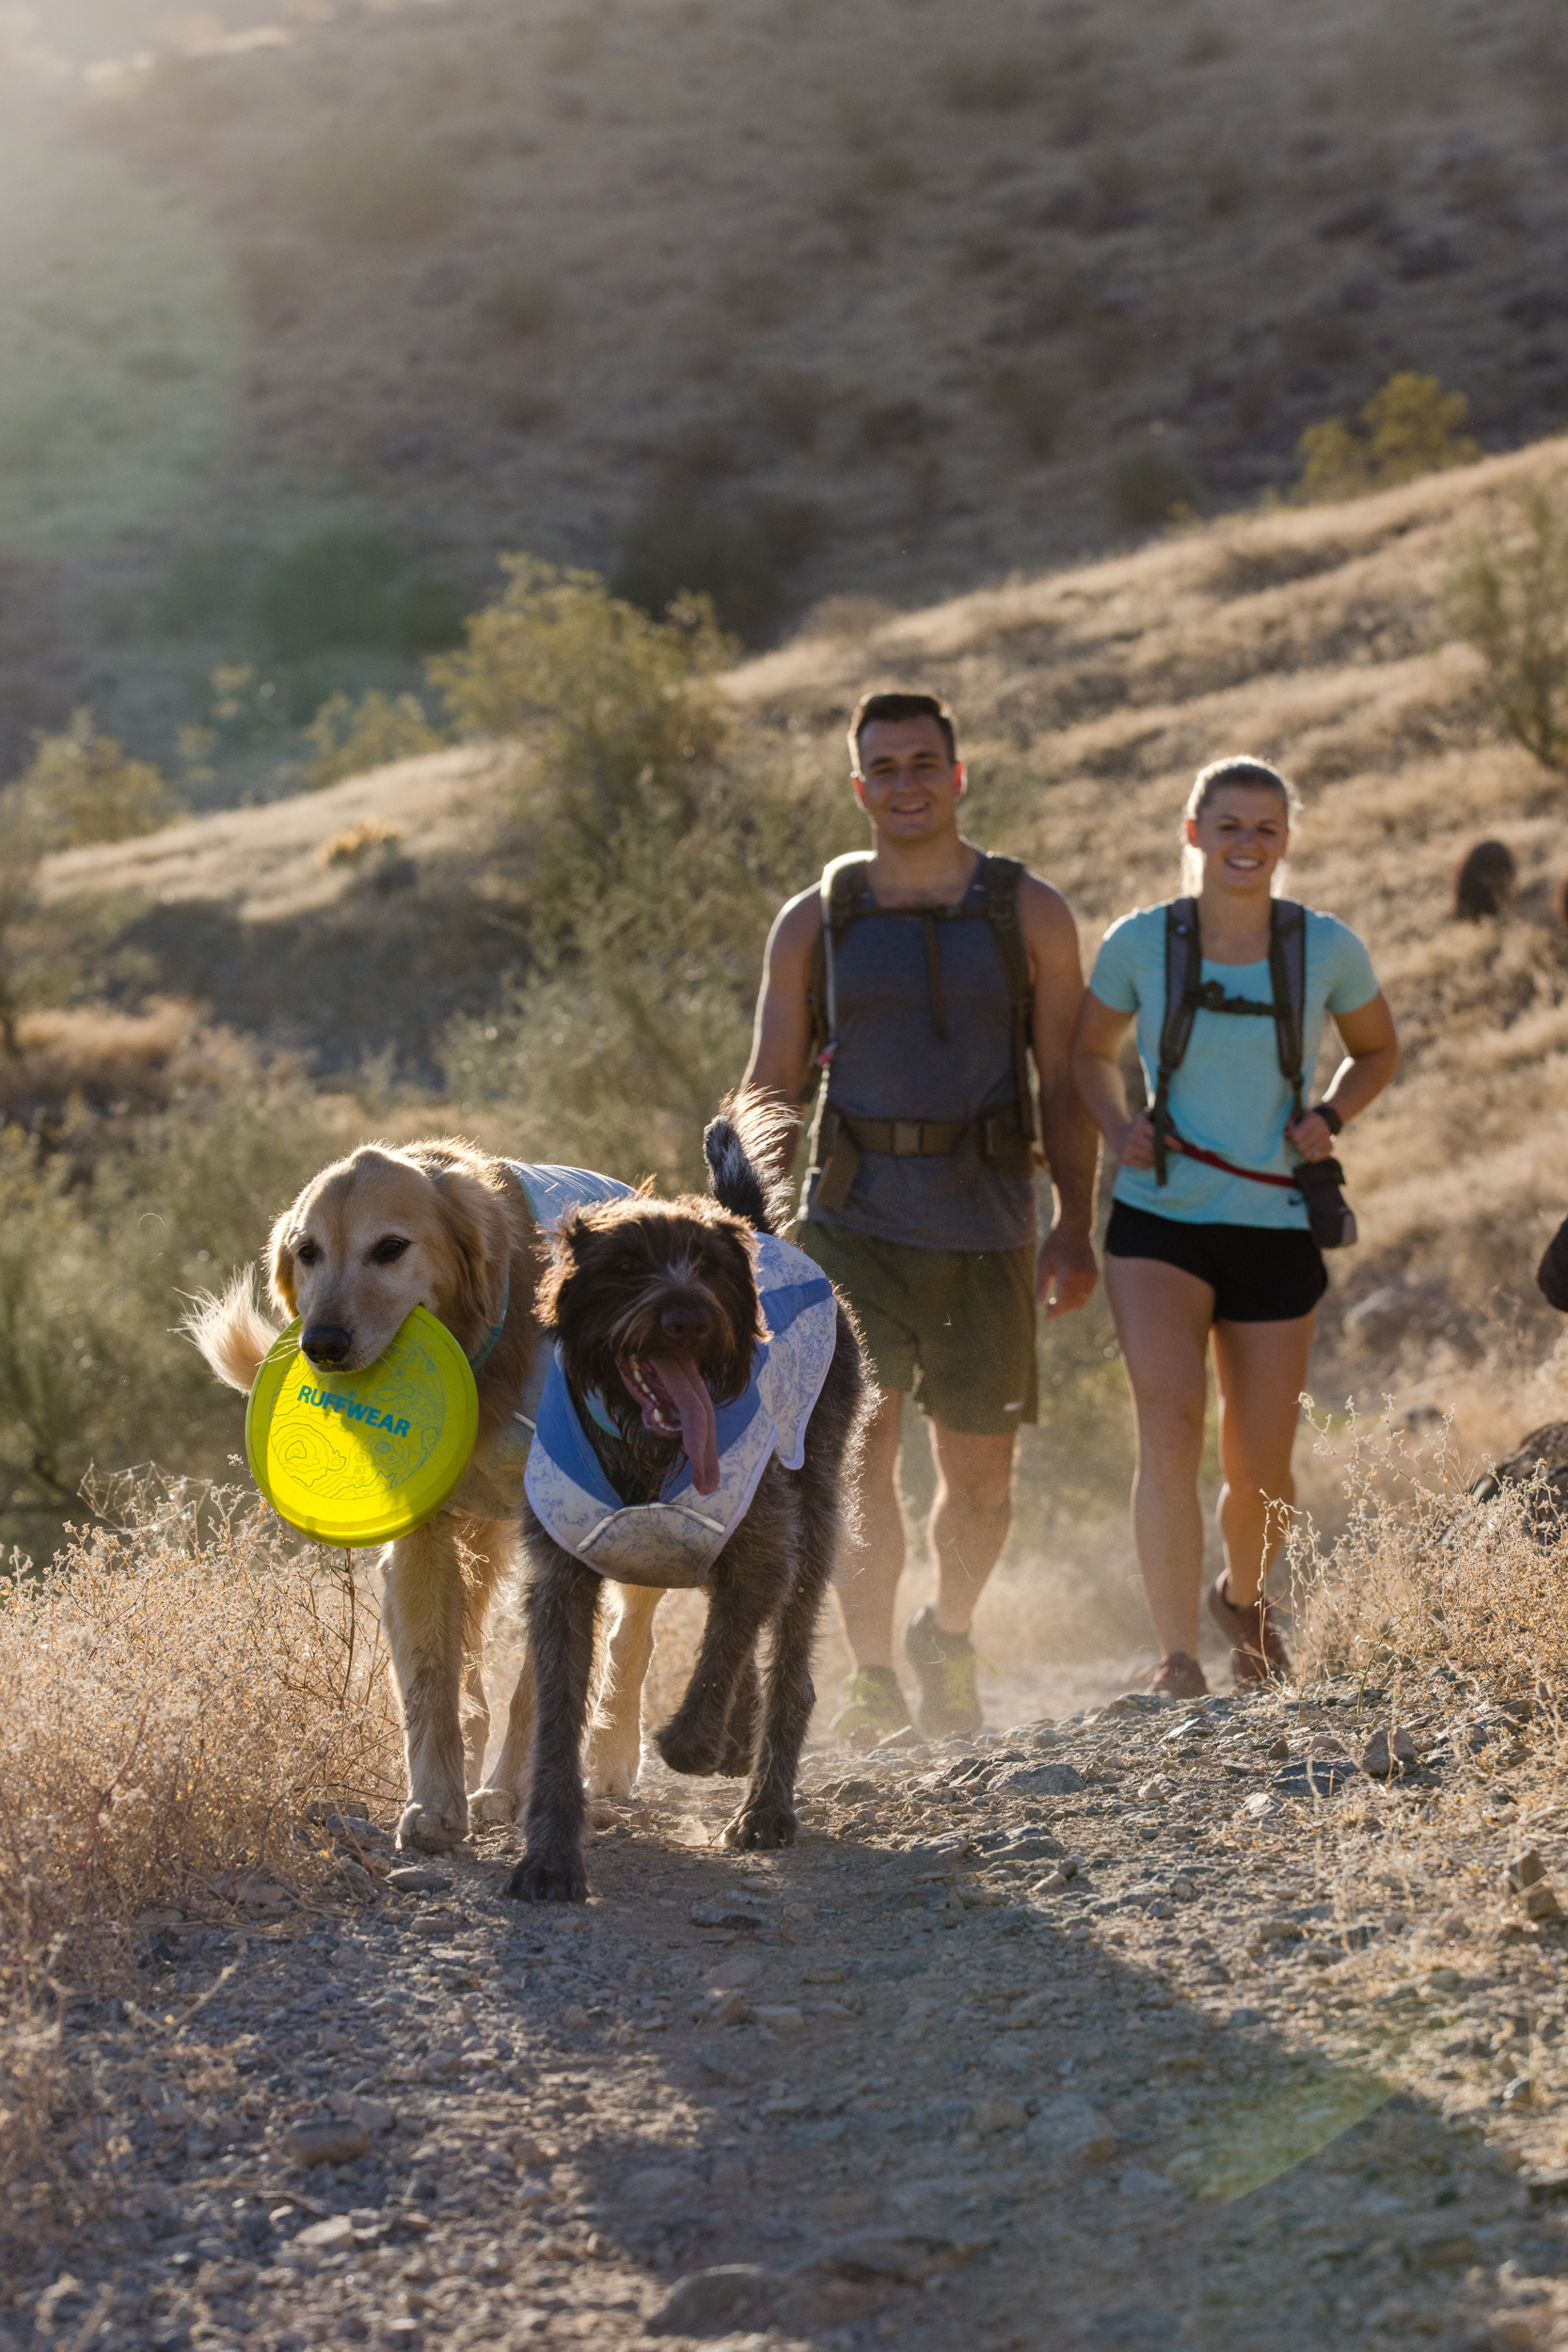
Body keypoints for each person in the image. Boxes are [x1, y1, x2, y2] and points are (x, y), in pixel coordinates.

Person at [744, 690, 1100, 1739]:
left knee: (980, 1480)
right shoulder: (818, 918)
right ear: (859, 788)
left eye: (921, 763)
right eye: (883, 767)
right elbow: (767, 1085)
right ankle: (869, 1676)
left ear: (957, 775)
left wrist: (1073, 1224)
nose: (904, 783)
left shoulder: (1025, 911)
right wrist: (750, 1227)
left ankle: (945, 1634)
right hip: (851, 1225)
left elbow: (1065, 1085)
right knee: (859, 1455)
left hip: (990, 1225)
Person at [1072, 755, 1399, 1696]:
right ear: (1192, 834)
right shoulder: (1140, 942)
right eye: (1227, 826)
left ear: (1284, 841)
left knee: (1262, 1470)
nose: (1245, 843)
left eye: (1264, 827)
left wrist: (1328, 1116)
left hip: (1272, 1222)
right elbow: (1086, 1054)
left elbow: (1375, 1050)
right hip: (1158, 1220)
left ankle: (1241, 1600)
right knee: (1167, 1429)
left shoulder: (1323, 947)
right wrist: (1114, 1125)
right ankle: (1177, 1655)